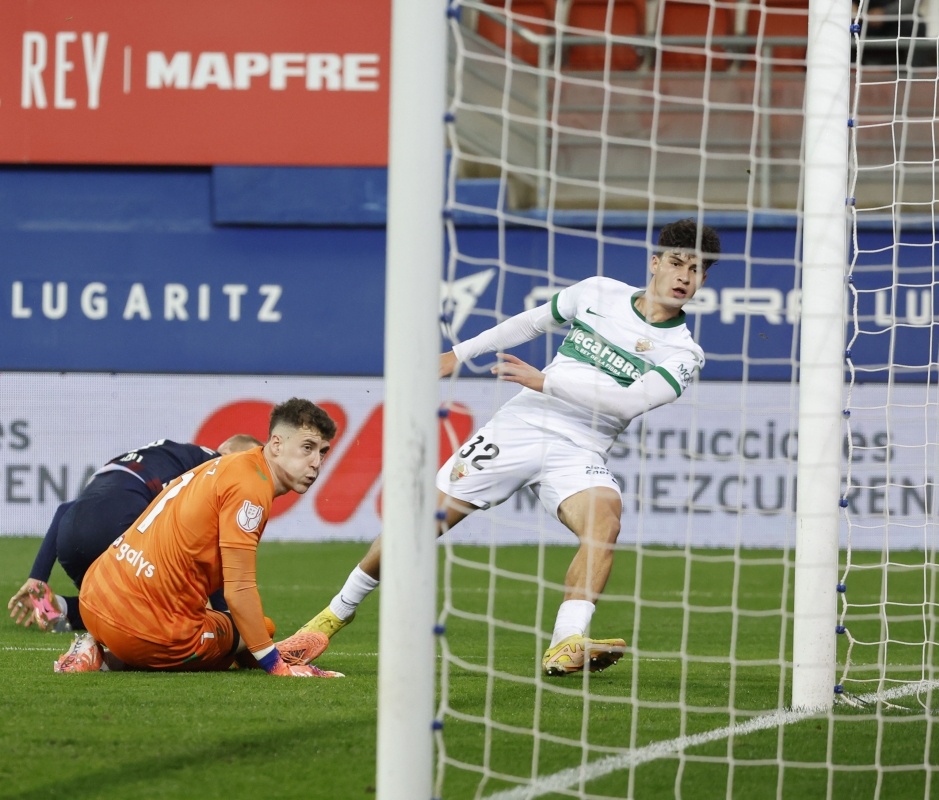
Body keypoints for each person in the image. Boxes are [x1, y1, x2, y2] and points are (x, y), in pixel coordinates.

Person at [290, 218, 720, 677]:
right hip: (519, 427)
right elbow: (531, 323)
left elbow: (632, 400)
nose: (683, 277)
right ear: (655, 262)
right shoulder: (597, 292)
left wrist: (547, 381)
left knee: (604, 525)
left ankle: (566, 642)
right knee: (420, 526)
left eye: (696, 270)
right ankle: (332, 615)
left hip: (582, 447)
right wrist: (459, 353)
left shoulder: (684, 351)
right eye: (676, 263)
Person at [53, 399, 341, 678]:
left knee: (237, 631)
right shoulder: (252, 489)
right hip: (142, 626)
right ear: (277, 444)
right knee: (260, 629)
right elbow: (238, 591)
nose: (316, 462)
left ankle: (93, 645)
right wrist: (275, 666)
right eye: (307, 448)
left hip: (93, 598)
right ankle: (106, 661)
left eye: (323, 452)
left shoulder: (225, 466)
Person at [8, 435, 261, 633]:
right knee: (167, 618)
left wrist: (37, 577)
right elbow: (206, 540)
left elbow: (64, 509)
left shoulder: (162, 454)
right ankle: (97, 652)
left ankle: (60, 607)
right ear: (227, 451)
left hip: (70, 535)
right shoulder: (215, 464)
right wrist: (225, 615)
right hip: (121, 529)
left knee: (117, 608)